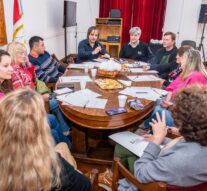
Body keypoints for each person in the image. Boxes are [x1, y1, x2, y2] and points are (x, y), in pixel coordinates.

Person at [99, 85, 207, 191]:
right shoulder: (200, 137)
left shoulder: (180, 160)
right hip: (174, 174)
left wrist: (155, 143)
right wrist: (160, 138)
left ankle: (112, 179)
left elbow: (140, 174)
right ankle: (111, 177)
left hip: (152, 183)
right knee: (124, 148)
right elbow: (184, 144)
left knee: (127, 152)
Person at [0, 88, 92, 191]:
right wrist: (63, 162)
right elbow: (85, 186)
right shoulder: (52, 164)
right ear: (40, 124)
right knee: (64, 147)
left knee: (62, 145)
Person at [0, 48, 70, 147]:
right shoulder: (10, 81)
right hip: (15, 130)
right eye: (6, 66)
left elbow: (32, 80)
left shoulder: (6, 83)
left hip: (23, 117)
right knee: (53, 132)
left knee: (52, 119)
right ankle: (61, 153)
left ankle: (67, 148)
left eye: (10, 64)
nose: (11, 69)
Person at [143, 48, 207, 130]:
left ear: (189, 61)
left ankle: (147, 127)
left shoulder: (196, 77)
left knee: (159, 111)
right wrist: (167, 101)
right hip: (175, 106)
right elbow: (171, 87)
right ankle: (150, 127)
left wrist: (170, 106)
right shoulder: (186, 73)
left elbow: (191, 106)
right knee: (154, 100)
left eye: (183, 58)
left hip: (186, 120)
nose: (181, 60)